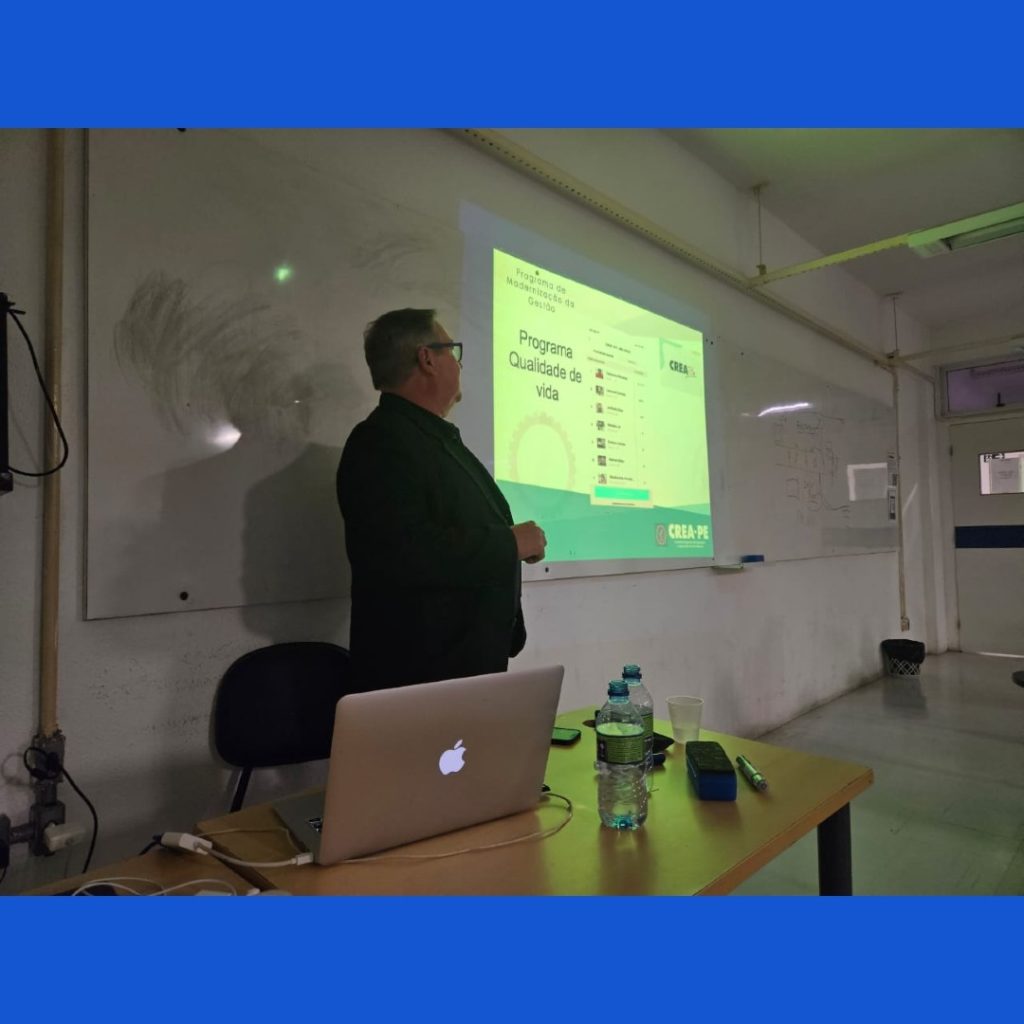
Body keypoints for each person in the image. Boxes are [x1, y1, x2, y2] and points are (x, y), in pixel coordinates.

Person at [337, 308, 547, 690]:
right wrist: (509, 543)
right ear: (427, 359)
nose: (459, 364)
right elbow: (404, 552)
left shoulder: (429, 438)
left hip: (459, 669)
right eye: (453, 351)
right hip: (421, 680)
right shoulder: (380, 442)